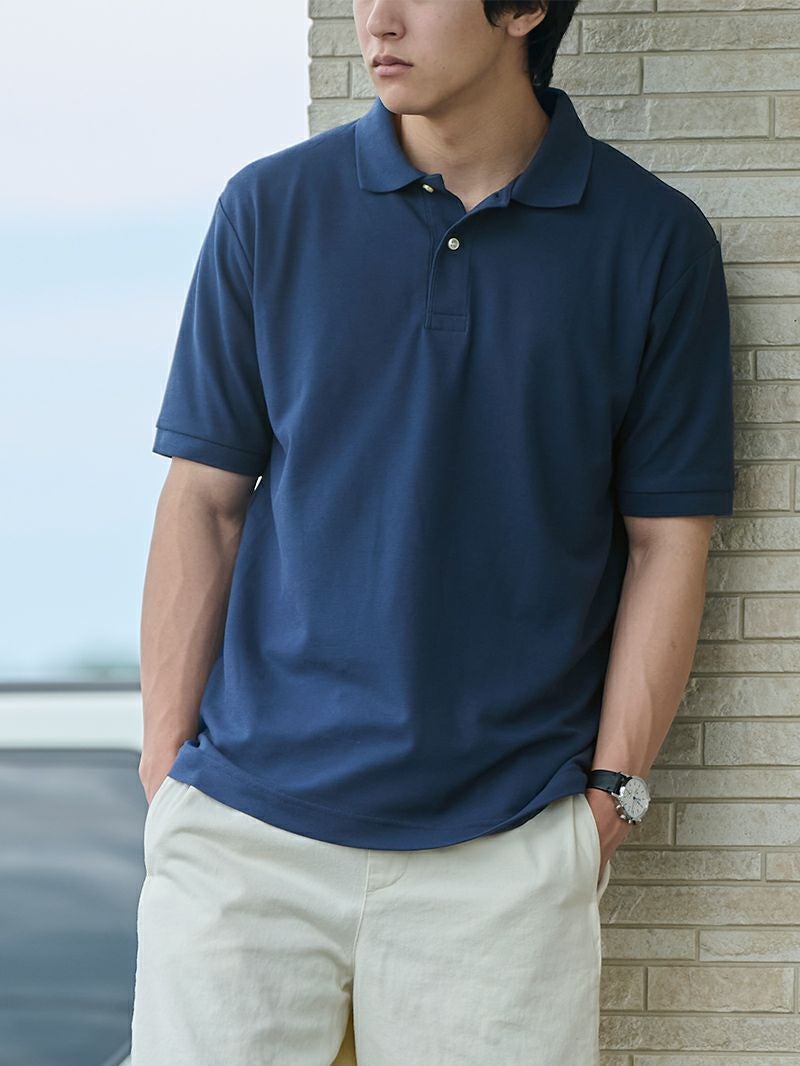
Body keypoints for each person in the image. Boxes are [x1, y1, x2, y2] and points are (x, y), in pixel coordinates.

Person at [130, 1, 736, 1063]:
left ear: (522, 9)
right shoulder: (269, 209)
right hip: (246, 838)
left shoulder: (652, 241)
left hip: (504, 855)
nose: (377, 20)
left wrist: (610, 795)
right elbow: (204, 501)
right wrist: (167, 769)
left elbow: (666, 542)